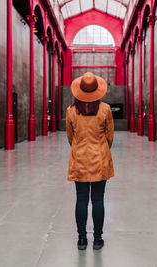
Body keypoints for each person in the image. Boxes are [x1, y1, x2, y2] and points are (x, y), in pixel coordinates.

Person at [66, 72, 114, 250]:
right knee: (98, 200)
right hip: (100, 159)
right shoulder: (105, 109)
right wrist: (100, 147)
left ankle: (81, 239)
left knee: (81, 200)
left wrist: (79, 147)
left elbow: (70, 137)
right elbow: (109, 136)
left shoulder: (71, 111)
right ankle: (98, 239)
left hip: (79, 160)